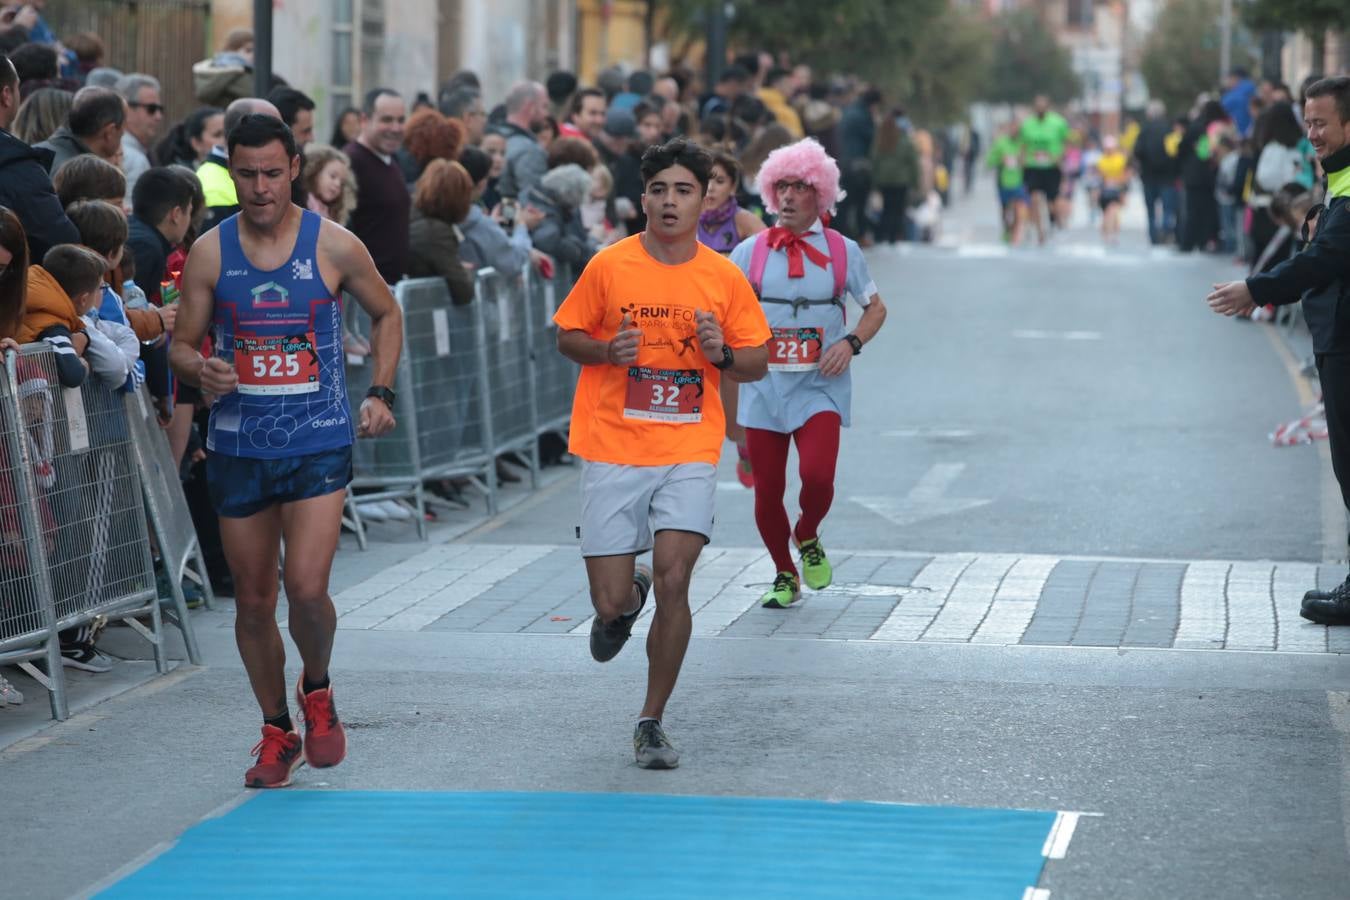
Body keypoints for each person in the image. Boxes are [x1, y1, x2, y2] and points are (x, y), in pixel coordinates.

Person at [169, 113, 402, 788]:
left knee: (305, 589)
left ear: (294, 168)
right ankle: (277, 728)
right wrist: (200, 370)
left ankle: (319, 686)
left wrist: (380, 391)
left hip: (319, 440)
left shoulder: (333, 245)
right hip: (240, 445)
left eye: (273, 172)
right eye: (246, 173)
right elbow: (183, 344)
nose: (260, 186)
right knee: (251, 600)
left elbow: (388, 312)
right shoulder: (212, 253)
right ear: (232, 169)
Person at [553, 138, 770, 768]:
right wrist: (604, 352)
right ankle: (625, 599)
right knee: (608, 602)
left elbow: (756, 359)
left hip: (688, 445)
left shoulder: (723, 276)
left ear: (706, 199)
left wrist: (721, 354)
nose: (670, 202)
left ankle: (651, 720)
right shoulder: (610, 266)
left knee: (679, 577)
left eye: (683, 190)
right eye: (659, 190)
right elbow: (567, 334)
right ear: (643, 197)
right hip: (614, 443)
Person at [1207, 76, 1350, 624]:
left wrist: (1256, 289)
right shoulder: (1335, 175)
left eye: (1321, 123)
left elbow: (1325, 260)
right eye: (1306, 122)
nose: (1311, 133)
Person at [727, 139, 887, 609]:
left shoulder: (843, 251)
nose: (790, 196)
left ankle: (808, 532)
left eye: (801, 187)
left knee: (817, 477)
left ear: (822, 193)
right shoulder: (750, 252)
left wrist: (850, 342)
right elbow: (723, 308)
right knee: (768, 489)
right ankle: (783, 571)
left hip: (820, 383)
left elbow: (876, 309)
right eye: (782, 187)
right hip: (763, 387)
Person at [344, 87, 409, 285]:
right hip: (365, 291)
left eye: (400, 120)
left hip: (391, 288)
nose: (396, 128)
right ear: (364, 120)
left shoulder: (392, 160)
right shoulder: (350, 162)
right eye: (387, 120)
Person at [457, 144, 541, 278]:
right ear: (482, 183)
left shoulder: (433, 209)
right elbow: (513, 260)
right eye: (492, 151)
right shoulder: (476, 221)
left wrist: (491, 223)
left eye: (503, 153)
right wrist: (521, 224)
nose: (499, 159)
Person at [407, 158, 475, 306]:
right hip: (421, 310)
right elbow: (463, 291)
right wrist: (464, 271)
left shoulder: (410, 216)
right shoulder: (436, 232)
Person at [36, 85, 124, 172]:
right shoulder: (83, 175)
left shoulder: (35, 153)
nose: (123, 134)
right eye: (122, 132)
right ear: (110, 132)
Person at [1019, 95, 1070, 244]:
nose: (1040, 109)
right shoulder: (1027, 124)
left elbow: (1066, 141)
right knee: (1034, 198)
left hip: (1051, 167)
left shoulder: (1058, 122)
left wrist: (1060, 157)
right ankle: (1040, 232)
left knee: (1052, 201)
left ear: (1048, 107)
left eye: (1043, 106)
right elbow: (1022, 144)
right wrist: (1022, 160)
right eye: (1037, 106)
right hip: (1032, 166)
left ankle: (1055, 222)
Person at [1134, 100, 1180, 245]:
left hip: (1148, 176)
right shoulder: (1169, 129)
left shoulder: (1144, 130)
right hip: (1167, 176)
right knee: (1168, 208)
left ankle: (1154, 237)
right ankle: (1166, 232)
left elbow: (1137, 151)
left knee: (1151, 210)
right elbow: (1175, 152)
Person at [871, 110, 920, 245]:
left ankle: (881, 236)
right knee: (898, 209)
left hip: (883, 180)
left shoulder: (879, 141)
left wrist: (874, 181)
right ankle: (893, 237)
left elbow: (874, 160)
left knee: (886, 208)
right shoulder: (904, 141)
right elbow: (913, 163)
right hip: (900, 181)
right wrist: (915, 183)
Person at [495, 81, 550, 200]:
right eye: (544, 106)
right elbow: (535, 202)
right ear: (530, 107)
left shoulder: (491, 137)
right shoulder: (529, 151)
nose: (547, 114)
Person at [115, 73, 164, 195]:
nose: (158, 116)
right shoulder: (133, 159)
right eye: (151, 109)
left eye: (160, 109)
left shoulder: (136, 152)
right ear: (126, 109)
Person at [987, 121, 1029, 245]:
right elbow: (989, 161)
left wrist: (1023, 160)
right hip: (1003, 181)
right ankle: (1006, 229)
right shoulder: (1001, 143)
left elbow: (1031, 159)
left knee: (1018, 208)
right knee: (1005, 209)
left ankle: (1015, 232)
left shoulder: (1023, 144)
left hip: (1020, 182)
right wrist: (1001, 160)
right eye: (1012, 129)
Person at [153, 105, 224, 169]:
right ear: (196, 143)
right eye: (217, 135)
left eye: (228, 133)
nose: (226, 140)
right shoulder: (181, 179)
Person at [302, 144, 355, 224]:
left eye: (342, 183)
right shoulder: (301, 201)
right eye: (333, 176)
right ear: (315, 172)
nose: (338, 184)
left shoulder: (334, 216)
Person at [1096, 135, 1130, 245]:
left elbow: (1126, 175)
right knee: (1107, 214)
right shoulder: (1101, 160)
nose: (1109, 150)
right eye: (1107, 148)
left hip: (1117, 190)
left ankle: (1111, 235)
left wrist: (1118, 183)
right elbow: (1099, 177)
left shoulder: (1120, 159)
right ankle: (1107, 233)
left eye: (1111, 147)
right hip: (1105, 192)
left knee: (1113, 211)